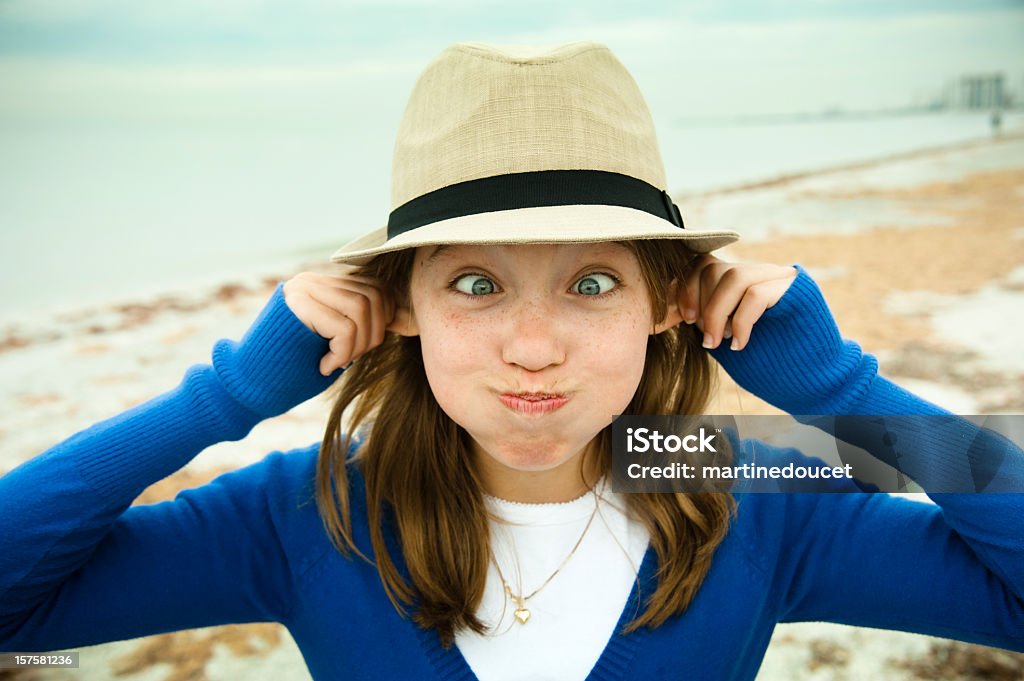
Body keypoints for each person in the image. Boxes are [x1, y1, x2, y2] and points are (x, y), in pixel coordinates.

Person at [1, 41, 1022, 681]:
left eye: (591, 283)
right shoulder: (306, 513)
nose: (532, 347)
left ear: (670, 302)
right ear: (399, 307)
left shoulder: (741, 483)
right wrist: (222, 398)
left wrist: (841, 394)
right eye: (476, 284)